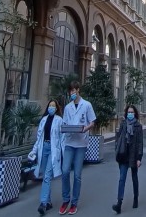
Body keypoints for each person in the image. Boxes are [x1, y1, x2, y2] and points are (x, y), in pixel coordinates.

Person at [60, 81, 96, 215]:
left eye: (73, 91)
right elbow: (64, 123)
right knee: (64, 172)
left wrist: (84, 129)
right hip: (69, 142)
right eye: (70, 91)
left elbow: (92, 122)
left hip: (81, 143)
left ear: (78, 90)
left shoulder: (86, 105)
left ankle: (74, 203)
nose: (72, 93)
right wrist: (64, 128)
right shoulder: (68, 107)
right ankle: (65, 200)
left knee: (77, 175)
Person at [29, 100, 64, 215]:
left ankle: (43, 203)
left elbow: (62, 138)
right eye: (50, 105)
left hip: (53, 150)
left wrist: (63, 154)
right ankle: (48, 202)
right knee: (45, 175)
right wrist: (34, 151)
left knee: (47, 175)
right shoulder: (43, 120)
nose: (51, 107)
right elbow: (39, 138)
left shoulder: (59, 120)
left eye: (54, 106)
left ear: (57, 108)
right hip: (43, 148)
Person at [112, 104, 144, 213]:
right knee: (122, 178)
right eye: (128, 112)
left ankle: (135, 197)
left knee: (134, 177)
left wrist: (139, 158)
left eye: (132, 112)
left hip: (134, 155)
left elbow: (140, 143)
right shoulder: (123, 124)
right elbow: (118, 137)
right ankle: (119, 203)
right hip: (123, 154)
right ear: (126, 113)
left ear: (135, 114)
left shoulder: (138, 126)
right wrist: (117, 149)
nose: (130, 114)